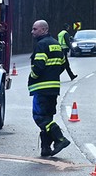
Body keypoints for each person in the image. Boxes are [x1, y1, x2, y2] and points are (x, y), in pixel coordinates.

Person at [29, 19, 72, 157]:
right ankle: (46, 148)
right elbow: (63, 64)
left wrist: (33, 76)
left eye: (35, 29)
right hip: (53, 88)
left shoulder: (41, 45)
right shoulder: (56, 44)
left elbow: (39, 66)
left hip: (41, 88)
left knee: (40, 117)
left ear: (44, 30)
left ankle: (60, 139)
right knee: (47, 116)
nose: (32, 32)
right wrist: (52, 75)